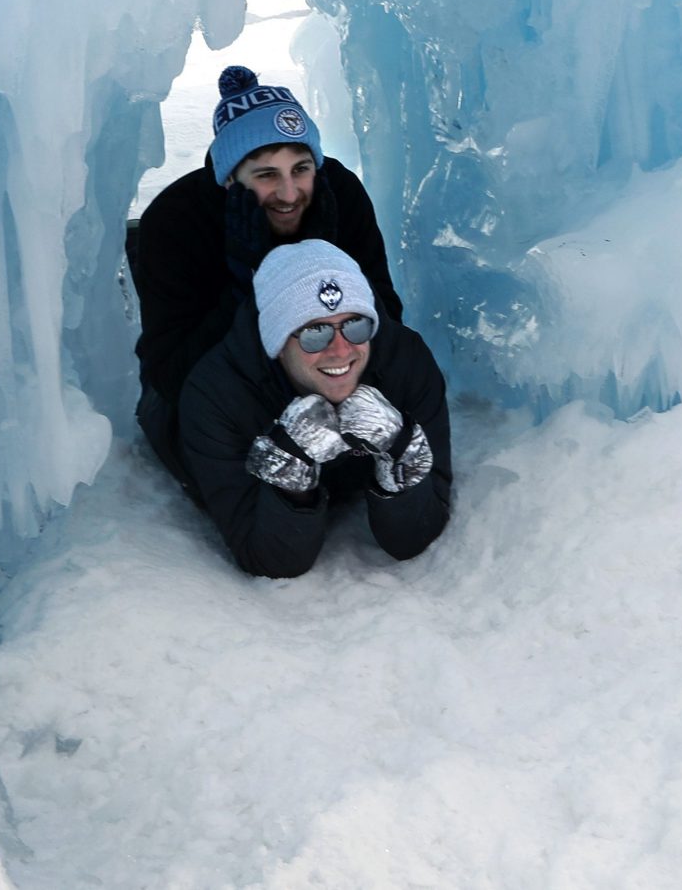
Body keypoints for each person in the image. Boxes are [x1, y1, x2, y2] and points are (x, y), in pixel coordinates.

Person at [129, 66, 401, 487]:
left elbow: (388, 324)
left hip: (324, 373)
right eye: (266, 175)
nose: (290, 194)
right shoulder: (173, 220)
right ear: (230, 179)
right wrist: (250, 282)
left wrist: (320, 263)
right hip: (209, 396)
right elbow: (172, 375)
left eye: (301, 169)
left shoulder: (338, 196)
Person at [177, 239, 452, 578]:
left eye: (355, 325)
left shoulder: (406, 364)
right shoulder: (216, 397)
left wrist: (400, 453)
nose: (340, 350)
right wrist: (290, 475)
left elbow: (414, 539)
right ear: (278, 343)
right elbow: (270, 559)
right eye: (314, 332)